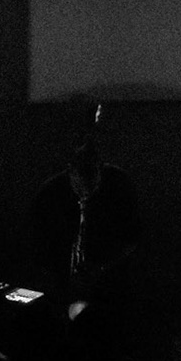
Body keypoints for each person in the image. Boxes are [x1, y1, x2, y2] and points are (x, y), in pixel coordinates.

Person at [29, 135, 143, 318]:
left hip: (109, 278)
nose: (85, 194)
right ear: (70, 172)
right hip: (61, 279)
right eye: (80, 187)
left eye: (93, 186)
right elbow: (37, 245)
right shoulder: (49, 195)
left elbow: (133, 237)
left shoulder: (120, 186)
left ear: (101, 170)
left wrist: (102, 267)